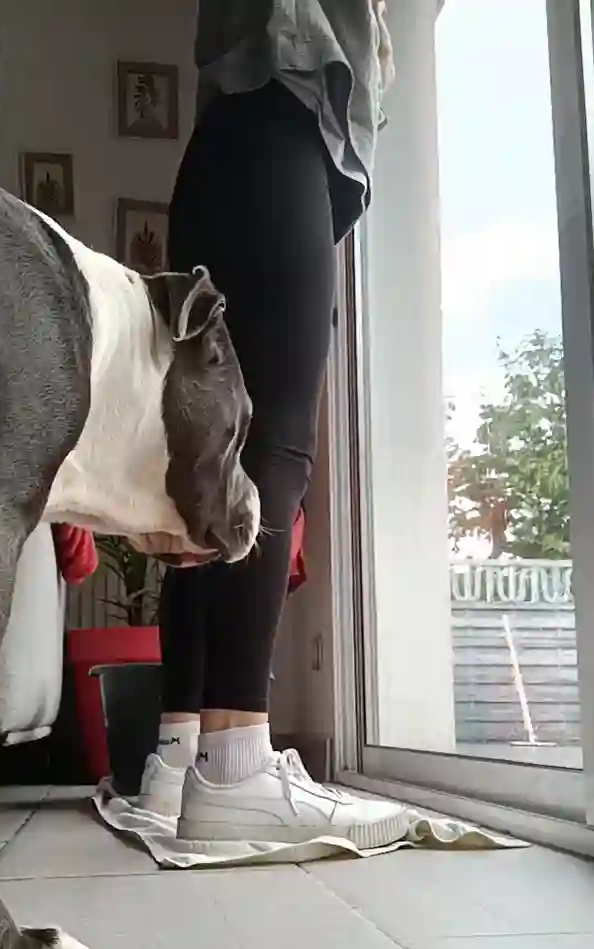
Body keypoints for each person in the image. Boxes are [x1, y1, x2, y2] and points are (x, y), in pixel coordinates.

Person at [134, 0, 397, 844]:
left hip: (223, 149)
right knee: (275, 442)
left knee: (213, 460)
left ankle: (180, 758)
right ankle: (236, 766)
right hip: (282, 130)